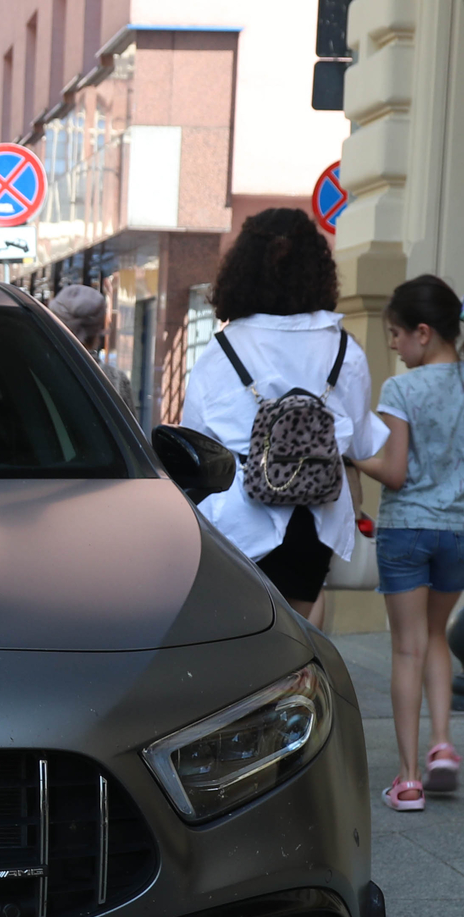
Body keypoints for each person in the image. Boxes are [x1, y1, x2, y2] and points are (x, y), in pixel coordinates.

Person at [348, 274, 464, 812]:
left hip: (407, 531)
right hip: (461, 532)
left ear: (424, 332)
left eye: (396, 334)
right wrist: (460, 463)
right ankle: (442, 744)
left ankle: (408, 778)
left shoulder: (402, 389)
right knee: (438, 636)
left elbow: (393, 474)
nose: (393, 345)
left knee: (407, 647)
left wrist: (351, 455)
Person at [180, 209, 385, 622]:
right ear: (317, 270)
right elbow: (363, 442)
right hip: (315, 518)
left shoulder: (223, 350)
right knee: (297, 640)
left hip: (238, 516)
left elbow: (194, 443)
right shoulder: (345, 349)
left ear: (243, 269)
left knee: (242, 642)